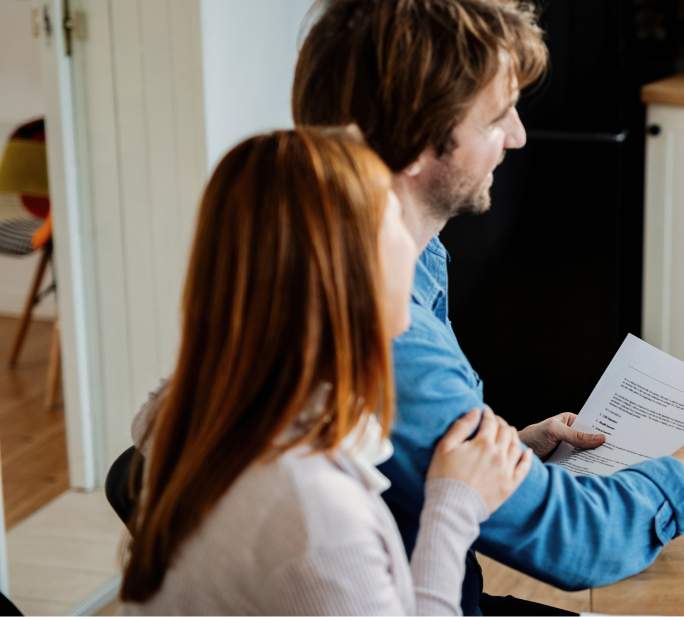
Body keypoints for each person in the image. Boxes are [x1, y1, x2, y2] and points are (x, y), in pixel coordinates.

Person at [291, 0, 684, 614]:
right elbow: (583, 545)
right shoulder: (389, 333)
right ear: (420, 139)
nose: (519, 135)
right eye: (497, 115)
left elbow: (405, 461)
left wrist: (509, 453)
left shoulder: (401, 256)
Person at [120, 129, 534, 614]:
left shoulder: (198, 408)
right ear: (346, 272)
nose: (417, 246)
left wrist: (502, 458)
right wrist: (452, 510)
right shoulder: (315, 516)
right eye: (396, 223)